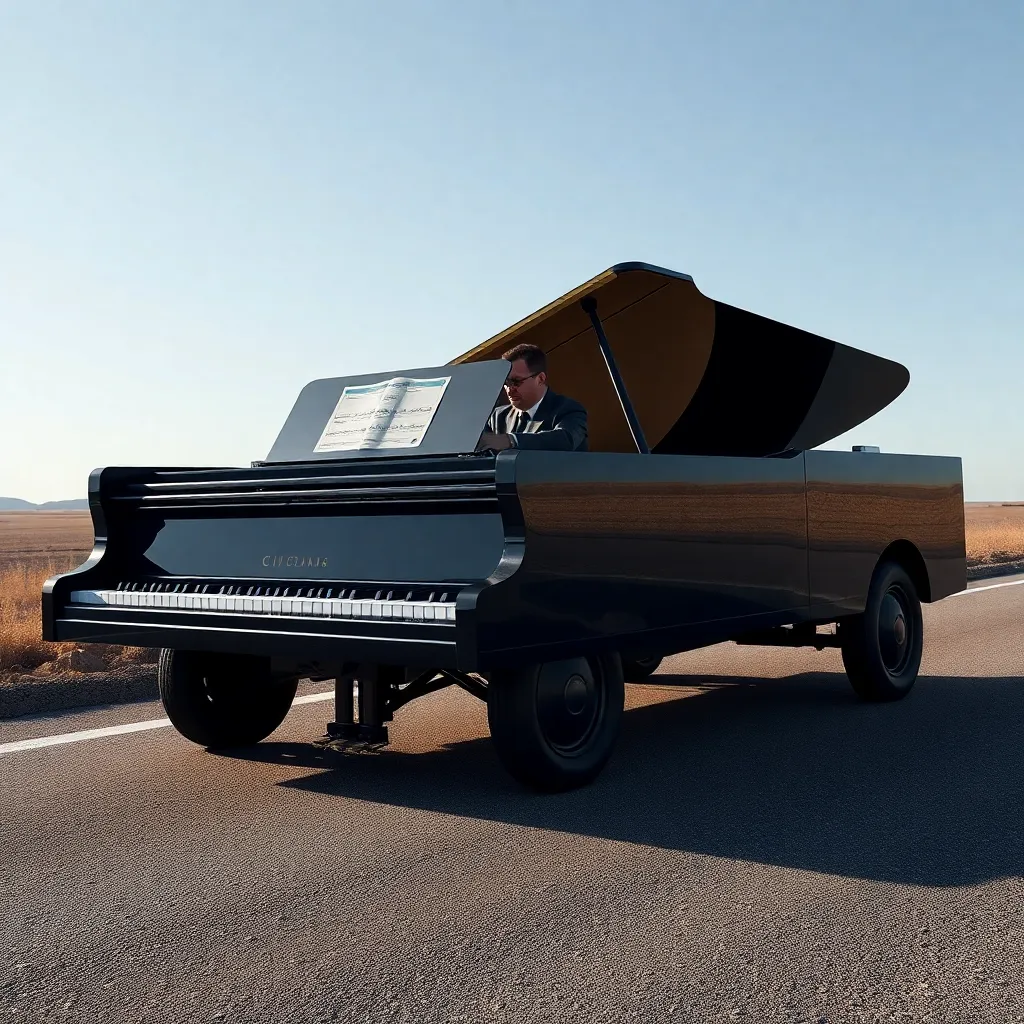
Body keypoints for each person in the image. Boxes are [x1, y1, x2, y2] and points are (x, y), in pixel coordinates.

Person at [477, 343, 588, 451]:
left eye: (516, 381)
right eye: (506, 382)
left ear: (540, 379)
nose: (510, 389)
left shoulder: (568, 409)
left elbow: (566, 440)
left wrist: (511, 440)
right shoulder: (498, 416)